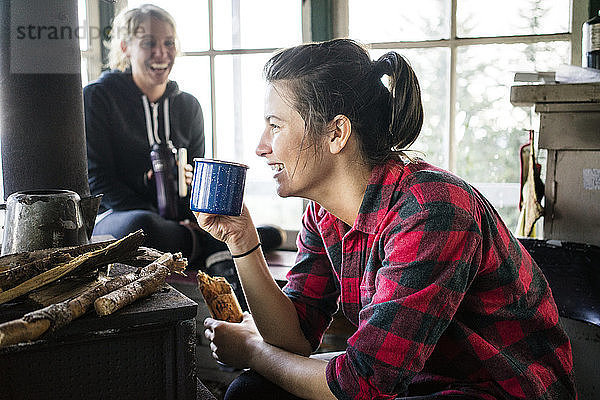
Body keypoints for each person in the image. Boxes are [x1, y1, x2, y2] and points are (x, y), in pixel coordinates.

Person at [197, 39, 577, 399]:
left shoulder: (432, 210)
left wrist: (252, 351)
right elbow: (294, 336)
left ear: (336, 133)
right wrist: (241, 241)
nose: (261, 147)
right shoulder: (322, 214)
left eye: (275, 126)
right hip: (416, 384)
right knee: (251, 392)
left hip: (497, 391)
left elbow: (362, 386)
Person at [83, 4, 281, 272]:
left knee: (231, 223)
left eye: (169, 43)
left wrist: (190, 194)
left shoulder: (188, 106)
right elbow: (98, 182)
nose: (161, 52)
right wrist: (151, 196)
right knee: (140, 227)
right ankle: (213, 245)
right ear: (125, 48)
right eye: (149, 42)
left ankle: (202, 242)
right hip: (122, 218)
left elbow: (200, 185)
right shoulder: (97, 98)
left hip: (176, 227)